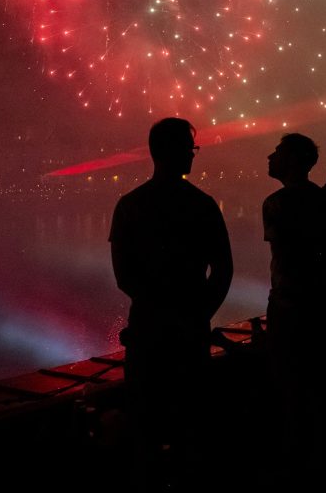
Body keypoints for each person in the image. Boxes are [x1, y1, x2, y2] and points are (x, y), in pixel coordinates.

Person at [109, 117, 233, 473]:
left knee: (145, 430)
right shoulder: (203, 205)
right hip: (191, 336)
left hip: (147, 334)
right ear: (170, 151)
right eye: (189, 148)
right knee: (191, 431)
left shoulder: (129, 206)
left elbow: (124, 276)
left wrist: (158, 309)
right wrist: (198, 313)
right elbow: (223, 270)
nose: (194, 156)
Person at [262, 133, 326, 467]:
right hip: (324, 306)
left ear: (294, 161)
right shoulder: (325, 201)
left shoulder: (275, 203)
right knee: (318, 389)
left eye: (278, 152)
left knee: (288, 387)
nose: (270, 156)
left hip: (288, 307)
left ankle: (293, 460)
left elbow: (287, 254)